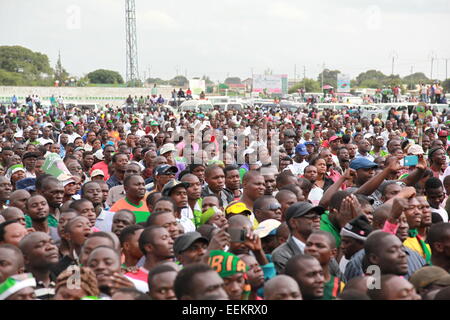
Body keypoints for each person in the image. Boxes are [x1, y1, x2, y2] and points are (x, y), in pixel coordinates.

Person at [272, 202, 324, 273]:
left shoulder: (324, 248)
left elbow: (339, 279)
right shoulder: (281, 254)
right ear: (293, 223)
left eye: (318, 216)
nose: (317, 220)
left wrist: (333, 283)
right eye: (310, 216)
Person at [304, 230, 345, 300]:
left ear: (333, 253)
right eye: (308, 245)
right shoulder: (294, 282)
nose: (312, 248)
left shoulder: (339, 287)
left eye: (319, 246)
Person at [19, 232, 59, 299]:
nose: (51, 247)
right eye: (40, 245)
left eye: (52, 243)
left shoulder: (62, 283)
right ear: (25, 258)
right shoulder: (20, 288)